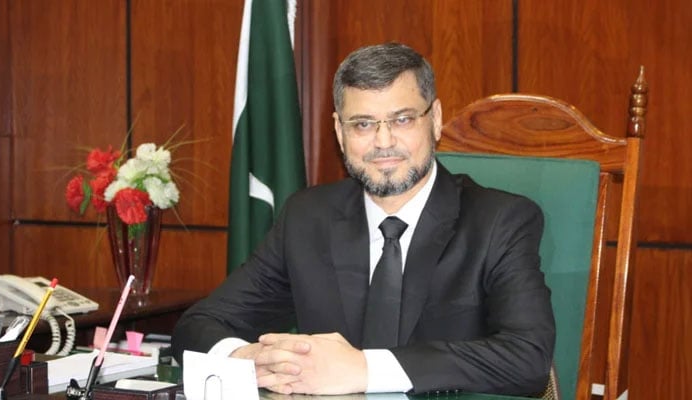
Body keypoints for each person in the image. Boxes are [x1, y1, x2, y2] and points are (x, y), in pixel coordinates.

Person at [172, 42, 555, 396]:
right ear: (339, 132)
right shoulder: (307, 218)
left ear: (435, 119)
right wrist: (248, 359)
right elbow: (197, 325)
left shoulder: (499, 221)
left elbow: (528, 360)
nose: (383, 142)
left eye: (402, 120)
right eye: (363, 124)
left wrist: (366, 369)